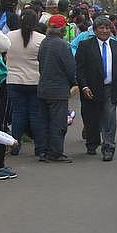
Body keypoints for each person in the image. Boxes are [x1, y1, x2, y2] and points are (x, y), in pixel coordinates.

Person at [76, 16, 117, 161]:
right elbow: (79, 69)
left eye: (107, 28)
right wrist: (84, 86)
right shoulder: (85, 45)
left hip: (111, 88)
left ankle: (109, 147)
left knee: (109, 118)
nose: (105, 31)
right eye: (101, 28)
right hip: (91, 89)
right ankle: (92, 143)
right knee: (91, 117)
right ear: (95, 30)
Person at [5, 8, 47, 158]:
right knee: (36, 115)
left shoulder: (9, 36)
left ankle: (15, 147)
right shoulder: (41, 39)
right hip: (35, 81)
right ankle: (40, 148)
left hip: (13, 81)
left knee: (18, 114)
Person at [36, 15, 76, 163]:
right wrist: (74, 82)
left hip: (43, 87)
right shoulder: (62, 45)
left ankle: (44, 151)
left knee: (45, 122)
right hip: (58, 90)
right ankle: (56, 153)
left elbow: (40, 62)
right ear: (62, 28)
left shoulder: (45, 42)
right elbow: (70, 68)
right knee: (58, 123)